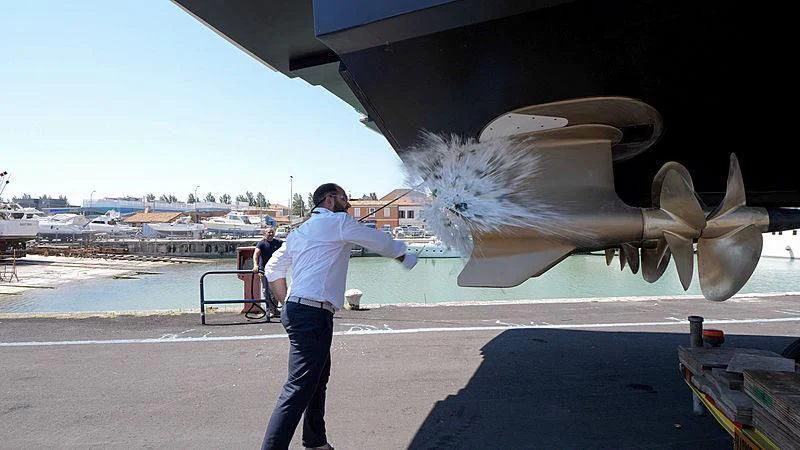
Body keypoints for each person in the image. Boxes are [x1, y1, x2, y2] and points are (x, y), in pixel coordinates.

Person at [261, 183, 418, 450]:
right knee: (298, 387)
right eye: (345, 199)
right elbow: (378, 241)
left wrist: (287, 300)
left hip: (300, 311)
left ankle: (314, 440)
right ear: (331, 199)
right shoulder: (339, 222)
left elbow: (272, 268)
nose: (349, 205)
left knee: (317, 378)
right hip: (312, 313)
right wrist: (403, 255)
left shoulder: (300, 231)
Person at [252, 226, 283, 318]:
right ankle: (269, 310)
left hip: (275, 270)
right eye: (268, 232)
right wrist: (255, 265)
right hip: (263, 270)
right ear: (265, 234)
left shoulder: (278, 243)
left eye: (272, 232)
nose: (270, 234)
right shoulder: (261, 243)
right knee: (267, 291)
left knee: (275, 291)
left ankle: (275, 309)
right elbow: (256, 254)